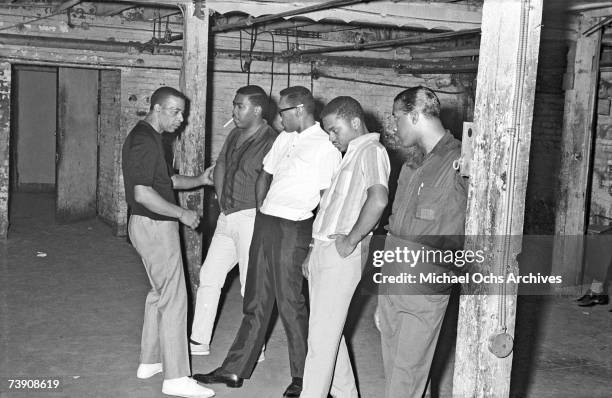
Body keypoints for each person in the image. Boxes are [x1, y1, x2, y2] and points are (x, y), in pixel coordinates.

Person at [194, 86, 341, 397]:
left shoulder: (325, 147)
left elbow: (328, 200)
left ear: (300, 110)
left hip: (295, 227)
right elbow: (265, 173)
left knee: (290, 305)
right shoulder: (286, 138)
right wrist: (262, 209)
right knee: (256, 300)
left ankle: (304, 379)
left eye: (284, 112)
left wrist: (315, 243)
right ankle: (234, 369)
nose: (279, 117)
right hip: (266, 221)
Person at [121, 86, 214, 398]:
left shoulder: (151, 139)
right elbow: (143, 193)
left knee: (159, 293)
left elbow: (167, 182)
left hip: (148, 224)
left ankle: (151, 360)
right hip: (154, 225)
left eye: (182, 112)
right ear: (157, 108)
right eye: (175, 111)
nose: (181, 118)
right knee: (175, 298)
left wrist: (201, 179)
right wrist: (182, 214)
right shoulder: (145, 141)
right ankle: (176, 378)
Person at [377, 86, 468, 398]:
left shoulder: (461, 162)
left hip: (425, 276)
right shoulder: (412, 163)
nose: (394, 125)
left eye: (398, 118)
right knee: (398, 368)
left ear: (414, 116)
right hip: (393, 270)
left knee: (406, 375)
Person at [301, 96, 390, 398]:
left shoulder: (372, 151)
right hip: (324, 250)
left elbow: (378, 199)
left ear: (354, 122)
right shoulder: (350, 154)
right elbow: (331, 209)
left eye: (334, 130)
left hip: (342, 254)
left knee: (320, 340)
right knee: (327, 333)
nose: (331, 138)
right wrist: (314, 250)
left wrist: (351, 240)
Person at [190, 85, 277, 356]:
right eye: (235, 104)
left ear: (257, 110)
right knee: (209, 275)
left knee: (250, 285)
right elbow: (221, 166)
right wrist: (221, 198)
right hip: (227, 216)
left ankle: (254, 348)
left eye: (240, 106)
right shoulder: (234, 134)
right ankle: (199, 340)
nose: (234, 111)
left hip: (252, 218)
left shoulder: (272, 140)